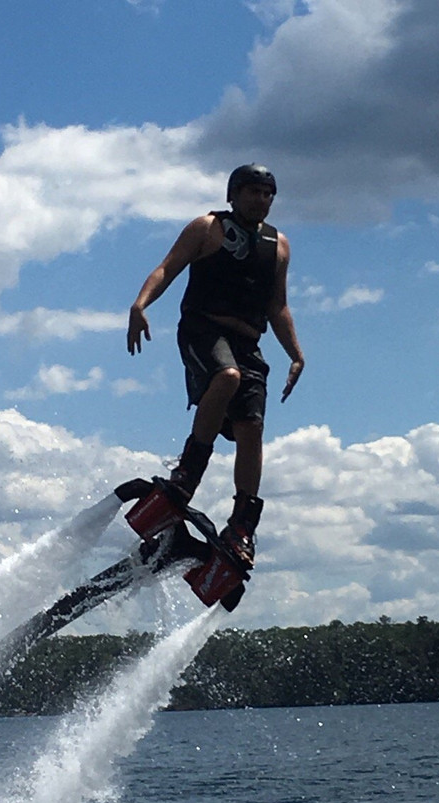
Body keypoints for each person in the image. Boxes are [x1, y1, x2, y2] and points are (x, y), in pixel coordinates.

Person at [127, 163, 305, 568]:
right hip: (203, 330)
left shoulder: (278, 245)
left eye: (268, 194)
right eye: (253, 192)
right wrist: (140, 305)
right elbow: (167, 268)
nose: (262, 200)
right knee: (227, 377)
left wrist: (295, 353)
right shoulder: (207, 228)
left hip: (249, 341)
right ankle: (187, 475)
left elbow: (277, 305)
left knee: (252, 427)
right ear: (233, 194)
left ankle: (242, 525)